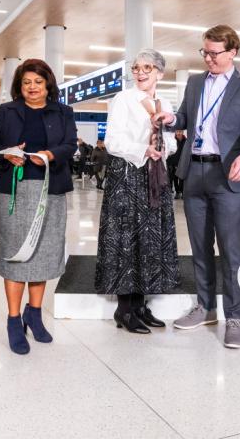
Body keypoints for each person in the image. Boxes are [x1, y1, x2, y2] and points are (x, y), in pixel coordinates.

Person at [152, 24, 240, 349]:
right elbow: (185, 118)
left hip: (228, 173)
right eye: (205, 52)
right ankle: (205, 307)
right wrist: (170, 119)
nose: (209, 59)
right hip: (195, 172)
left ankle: (234, 316)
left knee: (230, 250)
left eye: (215, 53)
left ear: (232, 52)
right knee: (200, 246)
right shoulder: (195, 82)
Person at [0, 59, 76, 354]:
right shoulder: (8, 111)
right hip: (15, 191)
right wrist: (6, 155)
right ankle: (13, 320)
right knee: (16, 254)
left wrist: (50, 153)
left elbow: (71, 145)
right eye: (26, 83)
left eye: (37, 81)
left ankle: (33, 314)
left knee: (44, 254)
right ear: (18, 87)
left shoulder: (64, 112)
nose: (32, 87)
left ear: (48, 83)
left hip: (52, 190)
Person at [95, 49, 180, 335]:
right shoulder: (123, 99)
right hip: (128, 176)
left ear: (160, 72)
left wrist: (164, 147)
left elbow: (173, 143)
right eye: (136, 68)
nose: (141, 73)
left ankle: (141, 305)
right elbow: (112, 141)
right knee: (126, 241)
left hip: (155, 177)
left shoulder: (164, 102)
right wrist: (143, 149)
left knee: (150, 240)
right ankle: (125, 308)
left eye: (148, 67)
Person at [167, 130, 186, 199]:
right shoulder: (173, 140)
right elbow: (169, 152)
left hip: (182, 163)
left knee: (182, 179)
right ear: (175, 132)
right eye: (177, 131)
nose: (178, 133)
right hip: (172, 162)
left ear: (183, 132)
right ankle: (177, 192)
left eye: (180, 131)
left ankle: (183, 192)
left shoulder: (186, 141)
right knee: (174, 178)